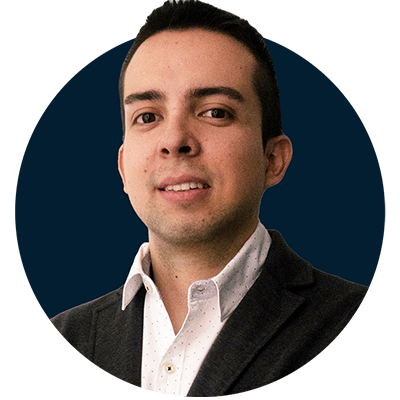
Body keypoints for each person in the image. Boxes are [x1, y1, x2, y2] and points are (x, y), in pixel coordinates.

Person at [51, 1, 369, 396]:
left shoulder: (370, 329)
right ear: (123, 168)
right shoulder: (55, 344)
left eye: (215, 112)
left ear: (272, 159)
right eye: (147, 116)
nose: (174, 141)